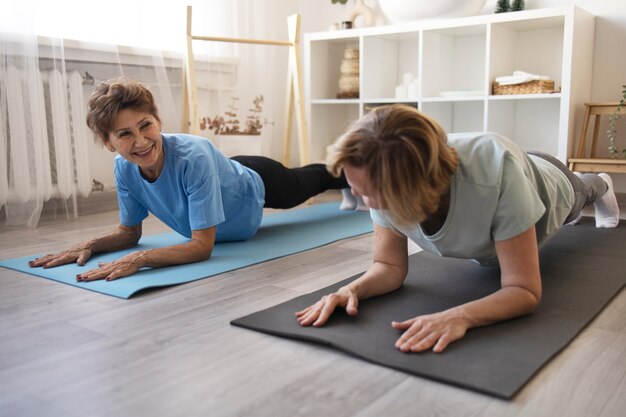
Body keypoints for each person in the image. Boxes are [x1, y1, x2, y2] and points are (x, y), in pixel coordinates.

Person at [296, 104, 620, 353]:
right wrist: (351, 290)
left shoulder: (495, 174)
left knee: (581, 194)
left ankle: (599, 184)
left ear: (409, 189)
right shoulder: (381, 177)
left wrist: (459, 316)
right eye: (356, 188)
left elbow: (524, 291)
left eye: (367, 192)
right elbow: (389, 267)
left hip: (550, 181)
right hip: (507, 179)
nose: (361, 200)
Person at [29, 77, 348, 281]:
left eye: (146, 126)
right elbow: (129, 232)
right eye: (125, 134)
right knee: (311, 177)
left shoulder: (194, 156)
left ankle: (358, 175)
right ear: (109, 142)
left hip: (256, 181)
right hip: (218, 175)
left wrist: (141, 260)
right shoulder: (124, 169)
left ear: (158, 120)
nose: (140, 141)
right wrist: (91, 245)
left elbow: (200, 247)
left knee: (315, 179)